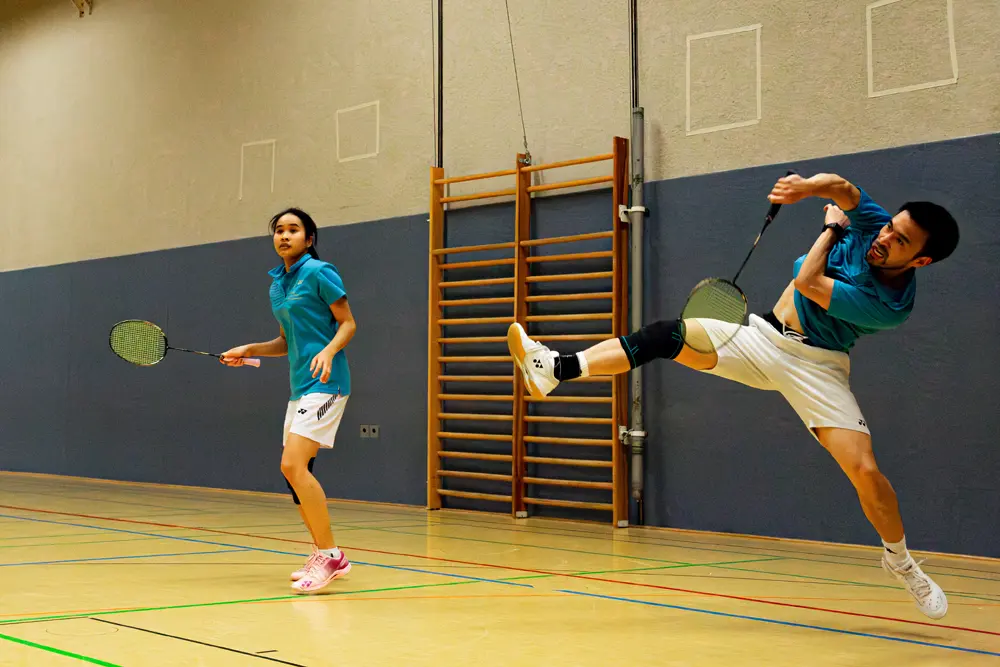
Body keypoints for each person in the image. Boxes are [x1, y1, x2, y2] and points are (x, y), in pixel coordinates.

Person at [507, 173, 959, 620]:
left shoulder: (891, 307)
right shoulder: (876, 226)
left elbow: (807, 281)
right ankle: (556, 369)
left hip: (817, 367)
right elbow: (843, 187)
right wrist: (806, 186)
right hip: (762, 338)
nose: (884, 238)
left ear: (920, 261)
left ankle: (900, 561)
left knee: (865, 471)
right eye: (887, 228)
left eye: (900, 241)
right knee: (666, 335)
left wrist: (832, 228)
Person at [221, 207, 356, 594]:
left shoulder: (319, 272)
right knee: (294, 476)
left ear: (309, 239)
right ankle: (324, 552)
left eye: (293, 230)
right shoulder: (277, 285)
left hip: (327, 383)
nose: (284, 236)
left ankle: (330, 553)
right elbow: (286, 341)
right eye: (278, 230)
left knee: (292, 464)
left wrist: (329, 352)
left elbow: (348, 322)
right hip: (300, 386)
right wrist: (249, 347)